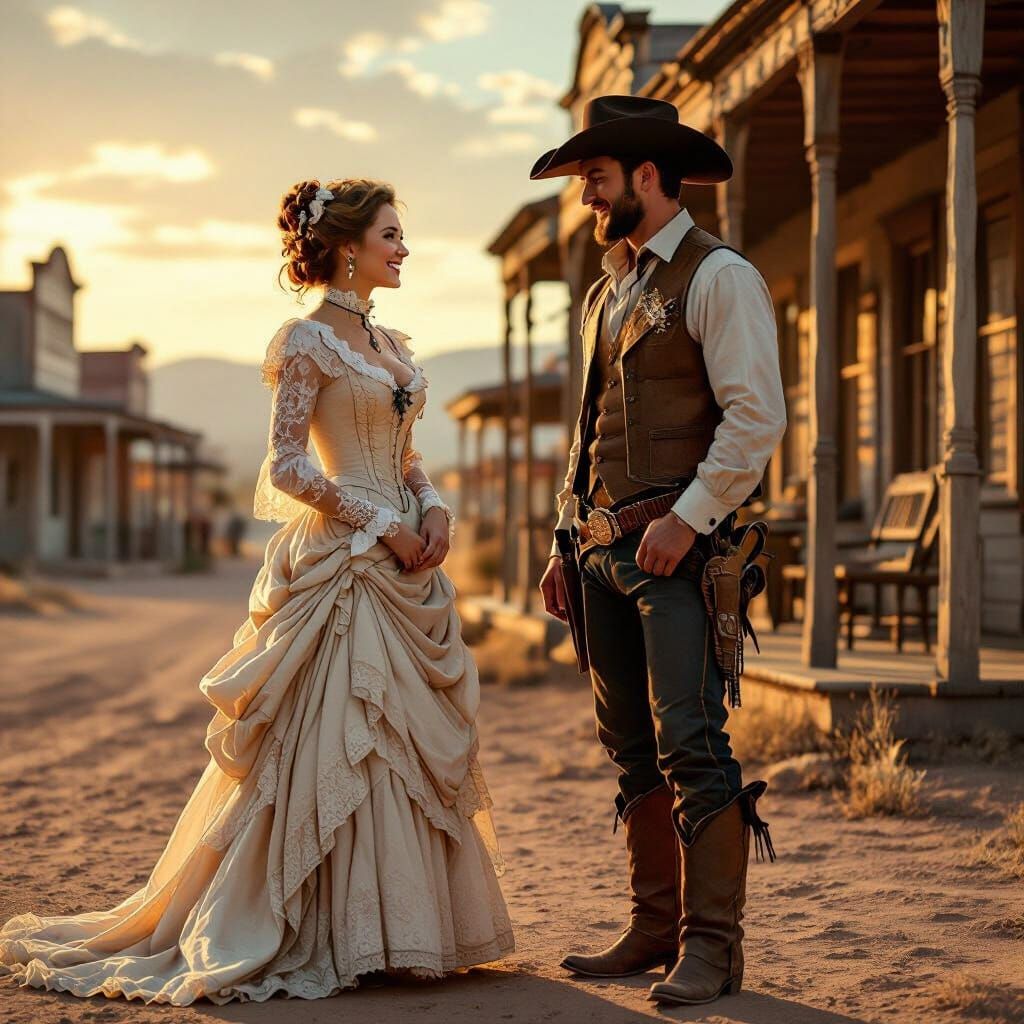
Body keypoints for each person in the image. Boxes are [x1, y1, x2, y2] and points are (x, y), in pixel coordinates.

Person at [0, 178, 514, 1004]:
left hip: (407, 558)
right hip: (345, 564)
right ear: (349, 247)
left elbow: (406, 453)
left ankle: (401, 931)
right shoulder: (305, 340)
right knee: (342, 731)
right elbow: (288, 466)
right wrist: (380, 524)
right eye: (391, 234)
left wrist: (435, 507)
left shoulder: (394, 346)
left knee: (403, 741)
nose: (403, 247)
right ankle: (326, 932)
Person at [535, 95, 787, 1007]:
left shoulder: (721, 277)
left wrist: (689, 518)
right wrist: (567, 536)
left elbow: (756, 417)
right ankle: (652, 929)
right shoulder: (609, 289)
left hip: (678, 553)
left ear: (647, 174)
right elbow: (588, 425)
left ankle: (713, 947)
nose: (588, 198)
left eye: (597, 180)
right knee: (629, 745)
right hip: (599, 553)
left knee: (692, 738)